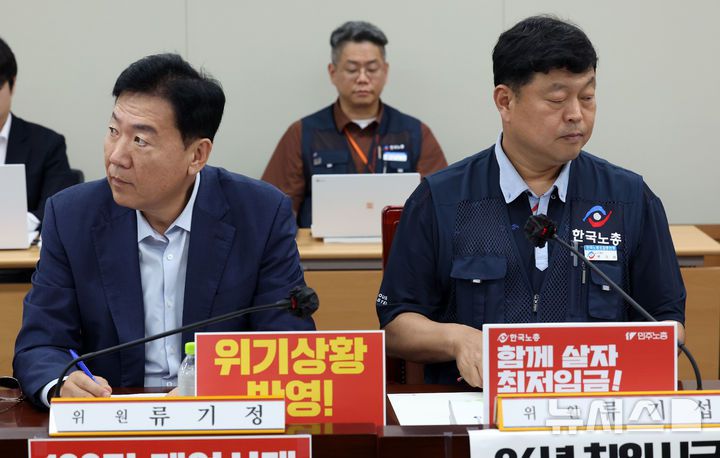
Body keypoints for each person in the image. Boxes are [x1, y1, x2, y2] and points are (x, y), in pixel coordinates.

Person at [376, 16, 686, 387]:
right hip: (476, 405)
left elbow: (667, 320)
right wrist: (457, 339)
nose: (576, 114)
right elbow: (395, 325)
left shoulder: (629, 199)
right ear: (505, 101)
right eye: (557, 99)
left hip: (593, 405)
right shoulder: (442, 199)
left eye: (587, 97)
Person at [14, 53, 315, 408]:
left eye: (140, 140)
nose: (116, 156)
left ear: (197, 155)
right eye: (113, 131)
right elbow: (41, 343)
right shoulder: (71, 217)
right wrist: (62, 382)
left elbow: (286, 342)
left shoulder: (260, 215)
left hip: (219, 417)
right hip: (114, 414)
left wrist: (219, 385)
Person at [262, 20, 447, 227]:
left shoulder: (415, 133)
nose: (362, 78)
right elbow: (272, 211)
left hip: (398, 246)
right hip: (321, 247)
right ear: (333, 72)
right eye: (352, 69)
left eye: (372, 69)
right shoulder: (303, 133)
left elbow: (440, 207)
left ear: (385, 71)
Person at [0, 36, 73, 229]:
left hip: (22, 246)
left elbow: (57, 208)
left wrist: (13, 227)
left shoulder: (47, 144)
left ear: (12, 83)